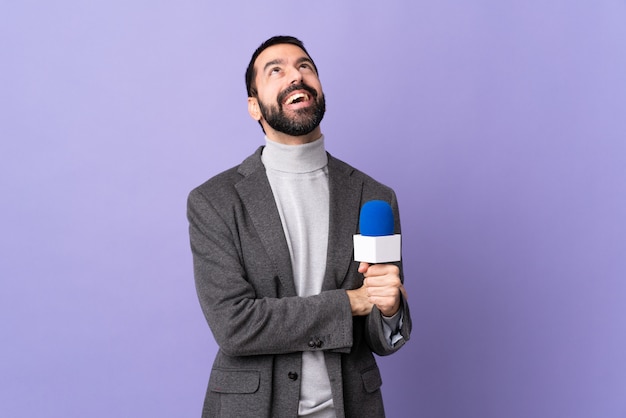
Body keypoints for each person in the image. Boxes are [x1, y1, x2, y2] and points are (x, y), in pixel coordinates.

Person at [187, 35, 411, 418]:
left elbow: (380, 336)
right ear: (254, 106)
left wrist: (390, 311)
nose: (296, 76)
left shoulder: (373, 197)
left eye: (305, 66)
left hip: (352, 407)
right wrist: (348, 303)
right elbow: (235, 326)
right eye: (276, 70)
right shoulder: (215, 201)